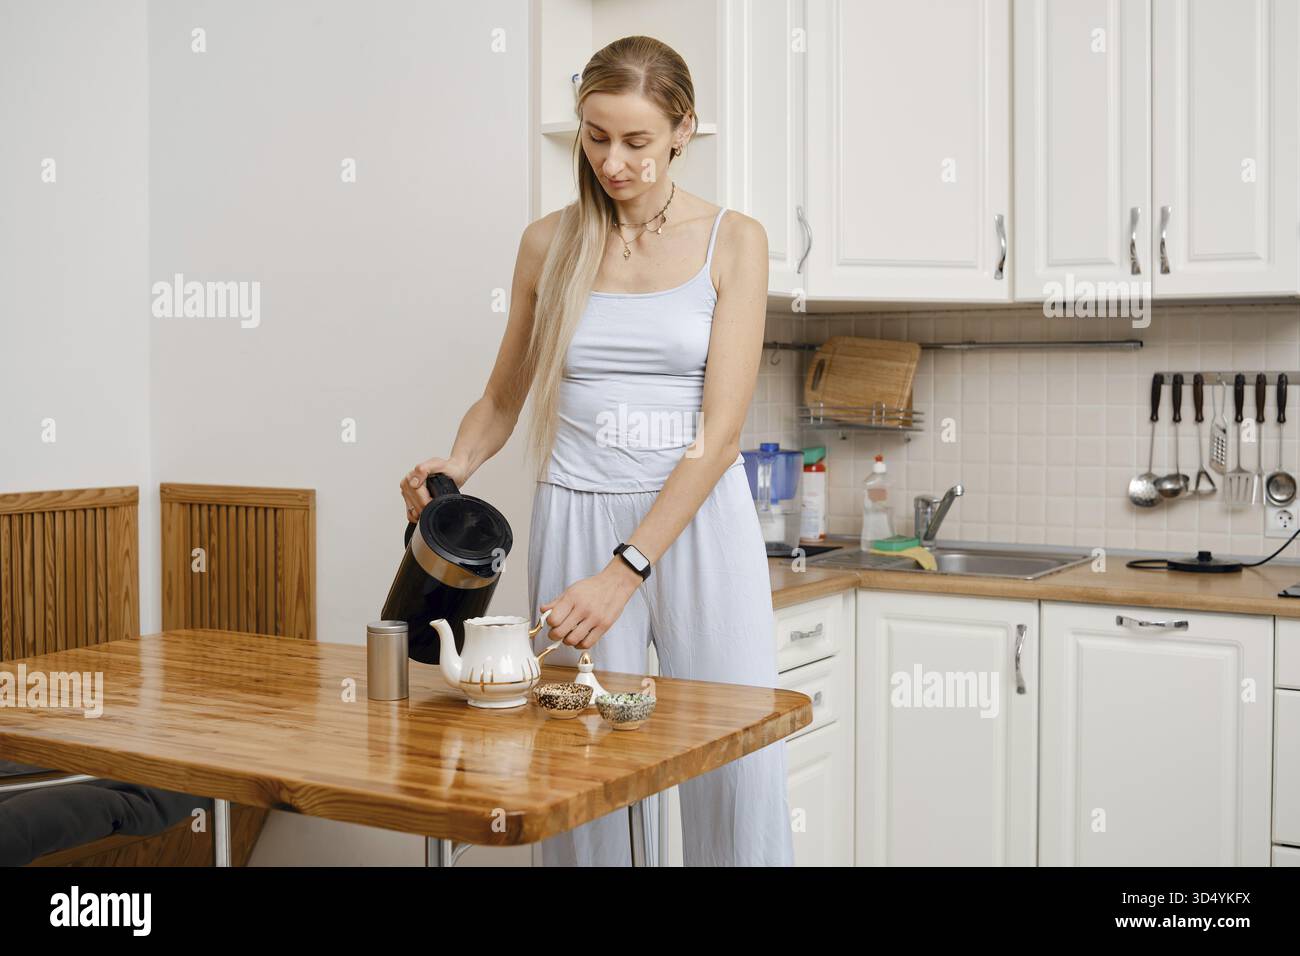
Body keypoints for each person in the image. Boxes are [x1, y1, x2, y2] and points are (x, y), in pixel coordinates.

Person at [400, 35, 792, 866]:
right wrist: (455, 467)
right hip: (578, 511)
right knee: (580, 766)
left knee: (734, 762)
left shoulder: (735, 241)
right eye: (596, 135)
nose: (614, 160)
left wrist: (628, 569)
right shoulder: (550, 243)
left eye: (637, 141)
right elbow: (505, 395)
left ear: (683, 130)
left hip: (694, 525)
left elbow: (719, 436)